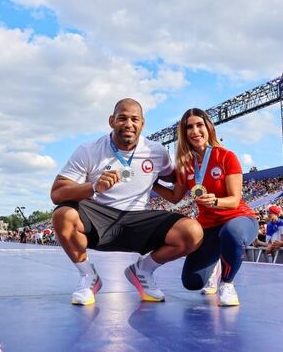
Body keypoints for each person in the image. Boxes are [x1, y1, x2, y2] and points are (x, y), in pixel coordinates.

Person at [51, 98, 203, 305]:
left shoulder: (156, 151)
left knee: (192, 232)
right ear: (111, 121)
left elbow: (179, 178)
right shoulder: (89, 150)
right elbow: (57, 194)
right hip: (99, 216)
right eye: (122, 118)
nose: (128, 124)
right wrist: (93, 186)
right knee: (63, 215)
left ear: (142, 124)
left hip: (137, 220)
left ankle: (143, 270)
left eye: (134, 119)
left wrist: (202, 156)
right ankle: (88, 276)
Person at [153, 108, 257, 306]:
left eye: (199, 125)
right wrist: (152, 183)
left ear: (208, 128)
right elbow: (175, 197)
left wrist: (215, 201)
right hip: (209, 226)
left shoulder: (226, 156)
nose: (195, 131)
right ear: (184, 134)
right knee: (192, 282)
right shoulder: (185, 165)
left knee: (232, 233)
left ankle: (227, 284)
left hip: (238, 219)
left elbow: (234, 200)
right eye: (189, 127)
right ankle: (216, 260)